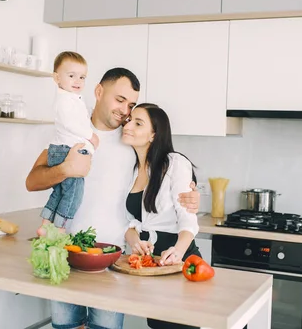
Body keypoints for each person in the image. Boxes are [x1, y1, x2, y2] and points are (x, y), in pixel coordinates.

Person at [26, 67, 200, 329]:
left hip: (112, 258)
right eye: (120, 100)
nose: (125, 111)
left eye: (130, 105)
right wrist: (65, 169)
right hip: (65, 253)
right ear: (98, 92)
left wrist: (192, 196)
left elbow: (168, 178)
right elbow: (33, 181)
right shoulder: (71, 132)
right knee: (65, 326)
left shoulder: (131, 142)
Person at [123, 103, 201, 329]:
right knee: (158, 324)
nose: (129, 126)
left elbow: (188, 218)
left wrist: (178, 251)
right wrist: (134, 241)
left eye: (138, 123)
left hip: (178, 259)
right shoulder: (130, 169)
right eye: (129, 120)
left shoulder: (175, 164)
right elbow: (128, 220)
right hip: (151, 265)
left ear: (153, 135)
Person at [39, 51, 99, 233]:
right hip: (66, 150)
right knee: (74, 193)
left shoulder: (72, 98)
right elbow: (70, 123)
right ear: (57, 78)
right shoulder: (65, 100)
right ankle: (60, 229)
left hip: (61, 149)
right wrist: (90, 136)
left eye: (82, 77)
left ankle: (46, 225)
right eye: (71, 76)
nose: (78, 81)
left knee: (60, 191)